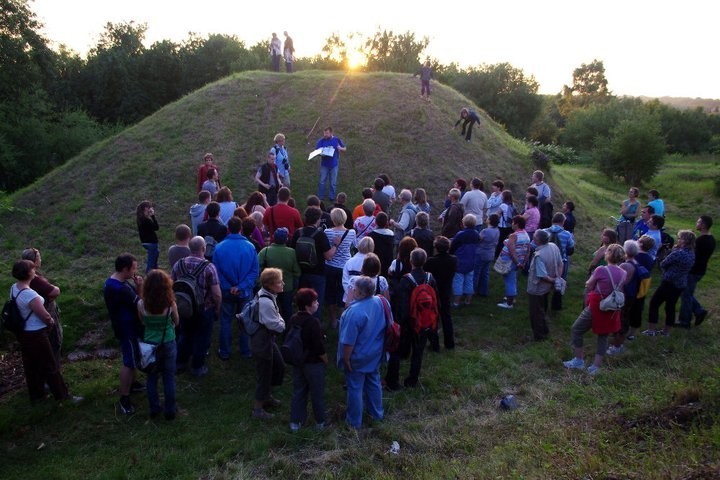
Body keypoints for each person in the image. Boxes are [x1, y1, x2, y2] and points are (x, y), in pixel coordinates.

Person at [10, 259, 81, 404]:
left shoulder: (14, 288)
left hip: (23, 333)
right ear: (29, 273)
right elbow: (45, 316)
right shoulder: (30, 295)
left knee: (31, 365)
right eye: (33, 269)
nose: (35, 271)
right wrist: (51, 322)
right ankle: (63, 396)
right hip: (36, 334)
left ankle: (37, 396)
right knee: (50, 366)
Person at [563, 244, 627, 375]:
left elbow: (590, 284)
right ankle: (595, 366)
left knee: (576, 329)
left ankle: (579, 360)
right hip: (612, 307)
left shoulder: (601, 270)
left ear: (608, 254)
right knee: (603, 336)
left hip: (597, 305)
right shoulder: (623, 272)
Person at [337, 276, 386, 428]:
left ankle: (354, 422)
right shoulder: (381, 302)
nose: (352, 290)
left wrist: (346, 360)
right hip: (375, 352)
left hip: (357, 357)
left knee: (355, 387)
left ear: (359, 293)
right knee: (373, 382)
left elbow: (348, 342)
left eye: (354, 289)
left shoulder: (353, 312)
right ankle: (377, 414)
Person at [385, 248, 438, 389]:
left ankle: (392, 382)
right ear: (424, 261)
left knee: (396, 350)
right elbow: (434, 299)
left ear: (410, 261)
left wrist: (398, 322)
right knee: (418, 351)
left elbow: (402, 303)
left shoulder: (406, 279)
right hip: (423, 320)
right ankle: (412, 380)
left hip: (408, 321)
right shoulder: (430, 278)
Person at [171, 236, 221, 377]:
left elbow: (171, 285)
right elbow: (216, 293)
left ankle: (180, 363)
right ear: (203, 248)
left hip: (184, 308)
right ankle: (197, 367)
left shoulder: (178, 264)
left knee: (185, 335)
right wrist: (217, 307)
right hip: (203, 309)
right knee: (202, 337)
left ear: (189, 248)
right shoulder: (209, 267)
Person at [213, 217, 260, 360]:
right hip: (245, 292)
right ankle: (245, 351)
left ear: (229, 229)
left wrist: (230, 287)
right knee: (246, 320)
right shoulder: (250, 247)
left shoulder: (219, 247)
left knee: (226, 321)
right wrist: (241, 286)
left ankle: (225, 351)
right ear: (240, 228)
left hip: (226, 291)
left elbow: (216, 273)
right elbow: (254, 272)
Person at [103, 253, 144, 414]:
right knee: (129, 362)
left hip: (124, 326)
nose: (135, 272)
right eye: (133, 268)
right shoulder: (120, 289)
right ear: (125, 269)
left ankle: (132, 385)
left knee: (132, 358)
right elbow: (139, 303)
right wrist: (140, 286)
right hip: (127, 329)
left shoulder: (113, 282)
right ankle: (124, 398)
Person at [137, 270, 179, 420]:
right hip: (167, 341)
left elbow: (142, 322)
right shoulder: (170, 304)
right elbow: (177, 321)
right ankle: (170, 410)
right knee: (168, 376)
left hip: (149, 344)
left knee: (151, 377)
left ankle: (154, 408)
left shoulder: (141, 304)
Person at [288, 288, 327, 432]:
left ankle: (295, 422)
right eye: (315, 301)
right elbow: (318, 346)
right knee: (317, 393)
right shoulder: (313, 322)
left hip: (299, 361)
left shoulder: (293, 318)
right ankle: (320, 422)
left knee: (299, 391)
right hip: (314, 363)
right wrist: (325, 359)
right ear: (308, 305)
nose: (317, 303)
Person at [644, 230, 696, 336]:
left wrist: (672, 251)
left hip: (669, 282)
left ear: (685, 240)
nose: (678, 240)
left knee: (654, 303)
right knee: (670, 307)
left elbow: (663, 263)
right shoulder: (692, 254)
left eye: (680, 238)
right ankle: (666, 332)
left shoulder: (678, 253)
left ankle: (651, 330)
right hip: (680, 283)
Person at [251, 268, 286, 420]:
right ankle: (257, 410)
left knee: (278, 365)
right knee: (264, 374)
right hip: (262, 342)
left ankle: (267, 396)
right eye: (279, 282)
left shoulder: (268, 295)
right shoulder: (265, 302)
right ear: (270, 285)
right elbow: (277, 325)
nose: (282, 284)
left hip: (267, 340)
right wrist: (282, 322)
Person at [20, 248, 63, 368]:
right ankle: (53, 374)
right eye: (39, 257)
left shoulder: (23, 279)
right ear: (33, 261)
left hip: (32, 319)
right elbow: (54, 291)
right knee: (54, 341)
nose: (41, 259)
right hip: (46, 313)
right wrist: (54, 289)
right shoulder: (34, 278)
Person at [289, 207, 334, 320]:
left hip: (301, 272)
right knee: (315, 303)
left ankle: (300, 324)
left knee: (302, 302)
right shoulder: (320, 234)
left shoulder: (298, 233)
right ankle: (314, 327)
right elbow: (328, 256)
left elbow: (292, 251)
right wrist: (336, 245)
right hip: (318, 273)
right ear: (317, 219)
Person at [606, 240, 643, 356]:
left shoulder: (625, 265)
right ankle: (618, 343)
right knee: (624, 319)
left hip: (624, 296)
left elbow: (621, 283)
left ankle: (617, 345)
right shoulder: (635, 263)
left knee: (620, 320)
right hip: (632, 295)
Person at [258, 227, 301, 322]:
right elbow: (297, 272)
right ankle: (287, 330)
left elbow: (256, 266)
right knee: (287, 310)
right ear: (286, 239)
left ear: (274, 238)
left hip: (270, 287)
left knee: (271, 310)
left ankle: (271, 330)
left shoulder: (265, 251)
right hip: (287, 287)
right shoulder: (291, 252)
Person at [526, 230, 563, 341]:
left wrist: (554, 281)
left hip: (537, 289)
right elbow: (560, 264)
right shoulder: (553, 246)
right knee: (542, 309)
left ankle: (539, 337)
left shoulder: (539, 255)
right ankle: (545, 330)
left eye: (534, 237)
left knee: (536, 313)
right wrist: (558, 278)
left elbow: (542, 276)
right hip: (547, 288)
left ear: (537, 240)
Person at [679, 215, 715, 328]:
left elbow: (691, 254)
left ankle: (686, 321)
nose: (697, 223)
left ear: (703, 225)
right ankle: (697, 312)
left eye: (699, 222)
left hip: (693, 271)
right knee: (688, 294)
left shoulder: (700, 241)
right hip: (700, 270)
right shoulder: (712, 240)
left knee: (686, 295)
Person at [324, 208, 357, 327]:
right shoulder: (352, 232)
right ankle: (342, 319)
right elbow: (355, 245)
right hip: (345, 266)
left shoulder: (327, 232)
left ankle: (333, 320)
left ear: (332, 219)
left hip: (330, 266)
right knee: (343, 292)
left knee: (330, 292)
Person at [425, 236, 457, 350]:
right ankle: (449, 343)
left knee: (433, 317)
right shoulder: (453, 259)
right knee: (446, 316)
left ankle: (435, 344)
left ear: (436, 247)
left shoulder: (431, 261)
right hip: (446, 290)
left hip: (433, 291)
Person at [497, 216, 531, 309]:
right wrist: (523, 263)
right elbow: (528, 251)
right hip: (519, 261)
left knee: (509, 281)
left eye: (513, 222)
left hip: (510, 261)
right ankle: (512, 297)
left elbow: (512, 250)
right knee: (512, 279)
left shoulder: (513, 236)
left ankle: (509, 303)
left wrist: (517, 263)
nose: (512, 224)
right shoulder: (526, 235)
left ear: (516, 224)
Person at [544, 213, 576, 310]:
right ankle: (556, 305)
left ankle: (543, 303)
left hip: (546, 260)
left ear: (552, 220)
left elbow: (534, 245)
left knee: (545, 280)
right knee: (559, 281)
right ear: (563, 222)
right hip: (561, 262)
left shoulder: (544, 232)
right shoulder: (567, 234)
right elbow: (571, 249)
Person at [449, 214, 480, 307]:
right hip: (471, 261)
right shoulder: (476, 234)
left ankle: (456, 302)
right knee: (469, 281)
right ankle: (468, 301)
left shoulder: (461, 234)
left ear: (464, 223)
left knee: (458, 282)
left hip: (460, 261)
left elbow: (453, 245)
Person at [315, 127, 346, 202]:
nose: (325, 135)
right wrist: (320, 154)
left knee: (333, 182)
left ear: (331, 133)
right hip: (324, 165)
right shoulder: (321, 141)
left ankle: (331, 197)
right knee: (322, 181)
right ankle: (320, 197)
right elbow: (317, 151)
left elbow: (345, 148)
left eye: (327, 133)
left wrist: (340, 148)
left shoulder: (336, 140)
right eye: (324, 133)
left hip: (334, 165)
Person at [342, 236, 375, 304]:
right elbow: (374, 280)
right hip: (367, 299)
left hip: (349, 298)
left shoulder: (350, 261)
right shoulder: (372, 262)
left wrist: (351, 294)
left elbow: (345, 280)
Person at [474, 213, 500, 297]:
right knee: (485, 273)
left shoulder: (485, 231)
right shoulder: (497, 230)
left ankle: (472, 291)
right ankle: (483, 291)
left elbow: (478, 240)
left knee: (476, 273)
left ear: (490, 221)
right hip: (490, 254)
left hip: (481, 253)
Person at [369, 212, 395, 278]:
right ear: (386, 222)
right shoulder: (391, 234)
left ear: (375, 222)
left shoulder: (372, 235)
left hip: (375, 263)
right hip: (387, 263)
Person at [136, 200, 159, 273]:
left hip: (145, 242)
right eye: (150, 207)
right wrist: (153, 216)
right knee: (151, 263)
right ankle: (148, 277)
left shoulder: (140, 219)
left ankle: (156, 275)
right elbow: (156, 227)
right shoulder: (146, 220)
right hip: (151, 243)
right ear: (146, 208)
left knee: (154, 259)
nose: (151, 208)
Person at [496, 190, 518, 259]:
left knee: (500, 242)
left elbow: (498, 215)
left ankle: (497, 256)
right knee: (507, 241)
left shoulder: (502, 205)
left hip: (502, 226)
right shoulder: (512, 205)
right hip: (510, 226)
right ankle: (506, 255)